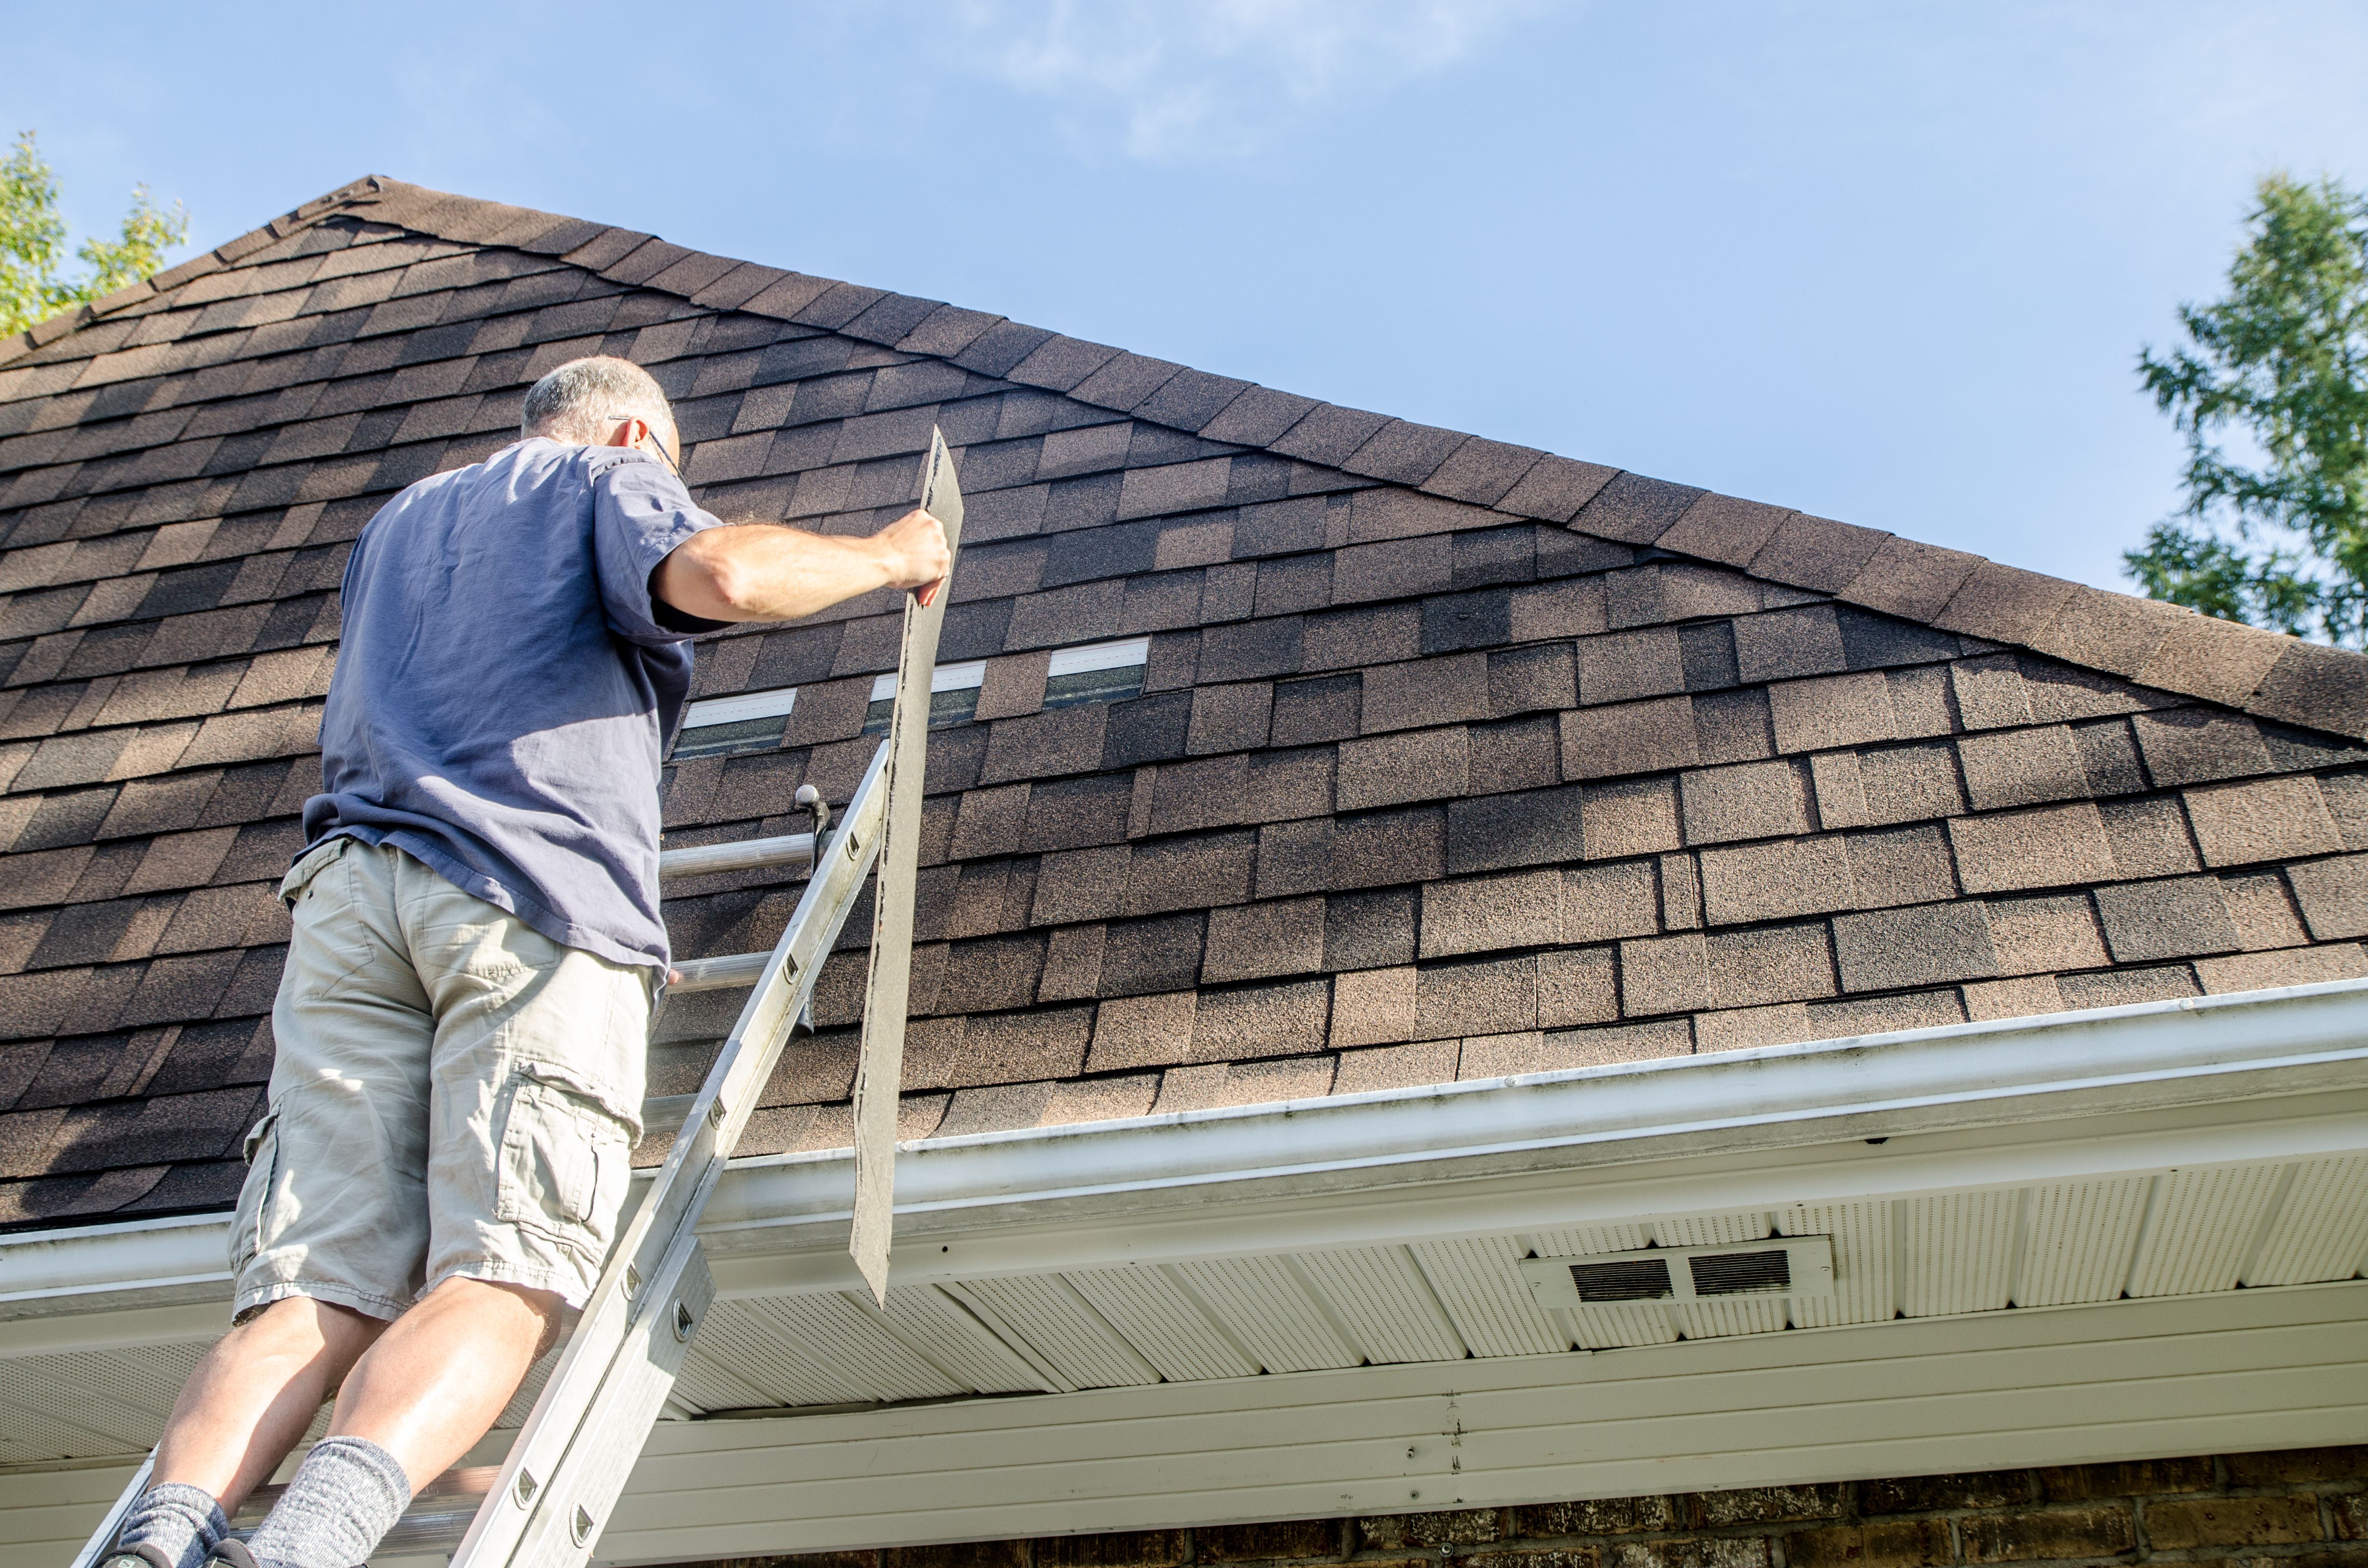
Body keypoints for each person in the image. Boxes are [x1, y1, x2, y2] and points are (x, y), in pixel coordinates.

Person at [99, 356, 951, 1568]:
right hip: (522, 898)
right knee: (512, 1271)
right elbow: (726, 574)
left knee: (315, 1290)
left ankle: (164, 1537)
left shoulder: (402, 522)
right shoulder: (609, 476)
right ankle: (307, 1552)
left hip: (349, 902)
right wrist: (889, 555)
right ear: (634, 430)